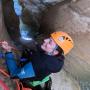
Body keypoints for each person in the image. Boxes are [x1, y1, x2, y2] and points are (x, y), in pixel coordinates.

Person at [1, 31, 74, 90]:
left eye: (50, 42)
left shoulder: (38, 65)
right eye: (49, 38)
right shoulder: (58, 58)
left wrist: (8, 51)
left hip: (33, 74)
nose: (45, 40)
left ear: (55, 52)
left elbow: (14, 74)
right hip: (41, 72)